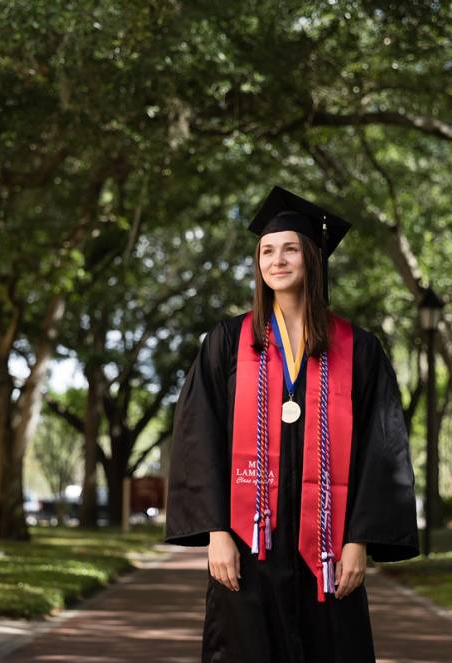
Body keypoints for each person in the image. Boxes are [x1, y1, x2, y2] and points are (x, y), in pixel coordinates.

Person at [164, 185, 419, 662]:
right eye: (266, 250)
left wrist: (357, 541)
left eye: (289, 249)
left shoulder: (358, 349)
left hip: (327, 548)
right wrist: (216, 533)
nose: (276, 260)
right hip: (247, 545)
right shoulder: (226, 343)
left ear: (312, 259)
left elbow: (380, 451)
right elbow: (199, 437)